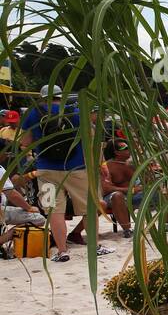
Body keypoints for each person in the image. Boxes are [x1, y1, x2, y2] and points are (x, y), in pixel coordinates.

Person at [19, 84, 91, 263]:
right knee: (88, 208)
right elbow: (90, 136)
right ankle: (95, 247)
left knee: (54, 210)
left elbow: (24, 142)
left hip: (47, 170)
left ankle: (62, 251)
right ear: (61, 95)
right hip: (77, 168)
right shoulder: (75, 111)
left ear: (43, 97)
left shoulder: (33, 113)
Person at [100, 139, 143, 238]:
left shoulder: (132, 164)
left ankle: (166, 224)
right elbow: (106, 188)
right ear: (116, 152)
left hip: (134, 195)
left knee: (166, 192)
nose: (129, 150)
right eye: (125, 148)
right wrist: (130, 190)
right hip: (113, 198)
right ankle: (127, 230)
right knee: (117, 196)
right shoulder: (107, 166)